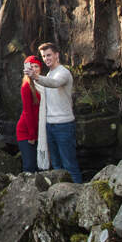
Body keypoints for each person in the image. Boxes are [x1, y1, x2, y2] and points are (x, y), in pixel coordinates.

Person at [29, 42, 83, 182]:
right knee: (57, 166)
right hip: (50, 125)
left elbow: (54, 83)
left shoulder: (63, 72)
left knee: (69, 165)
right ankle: (61, 195)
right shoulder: (49, 73)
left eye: (49, 55)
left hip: (64, 125)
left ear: (57, 55)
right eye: (44, 56)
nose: (46, 59)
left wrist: (36, 77)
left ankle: (80, 195)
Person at [16, 55, 43, 172]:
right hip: (26, 131)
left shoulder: (42, 83)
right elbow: (28, 112)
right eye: (31, 67)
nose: (34, 69)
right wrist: (32, 135)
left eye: (36, 66)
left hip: (39, 131)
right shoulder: (26, 86)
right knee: (30, 166)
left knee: (40, 165)